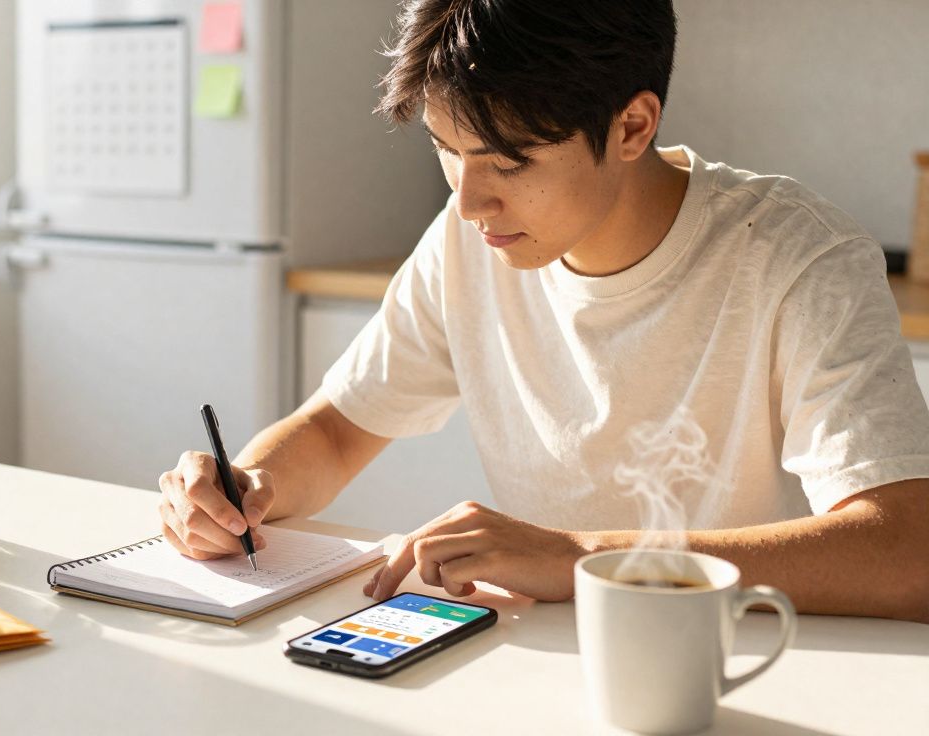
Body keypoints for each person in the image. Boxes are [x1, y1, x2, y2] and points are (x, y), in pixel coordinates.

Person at [157, 0, 929, 623]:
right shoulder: (472, 240)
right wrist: (246, 488)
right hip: (548, 665)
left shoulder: (799, 257)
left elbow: (905, 552)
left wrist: (583, 558)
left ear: (633, 125)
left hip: (755, 663)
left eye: (510, 160)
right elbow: (334, 430)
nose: (466, 201)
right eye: (446, 148)